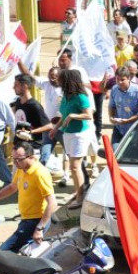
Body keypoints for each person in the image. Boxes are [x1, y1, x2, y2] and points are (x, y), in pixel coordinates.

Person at [0, 142, 56, 251]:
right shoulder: (21, 168)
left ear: (31, 157)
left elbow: (52, 203)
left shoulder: (40, 173)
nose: (15, 163)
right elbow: (12, 187)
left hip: (36, 221)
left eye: (18, 159)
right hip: (26, 219)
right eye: (13, 159)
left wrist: (39, 228)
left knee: (2, 253)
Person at [49, 70, 94, 209]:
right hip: (67, 133)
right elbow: (63, 116)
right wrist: (55, 128)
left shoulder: (81, 97)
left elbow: (89, 115)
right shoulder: (65, 97)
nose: (58, 81)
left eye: (61, 79)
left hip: (79, 134)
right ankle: (78, 191)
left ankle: (80, 197)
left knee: (75, 166)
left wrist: (74, 116)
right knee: (75, 167)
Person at [108, 67, 138, 147]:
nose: (119, 82)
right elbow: (112, 106)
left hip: (134, 130)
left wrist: (128, 121)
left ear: (129, 78)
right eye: (117, 79)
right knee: (115, 153)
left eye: (122, 80)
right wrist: (111, 117)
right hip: (119, 128)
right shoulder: (114, 89)